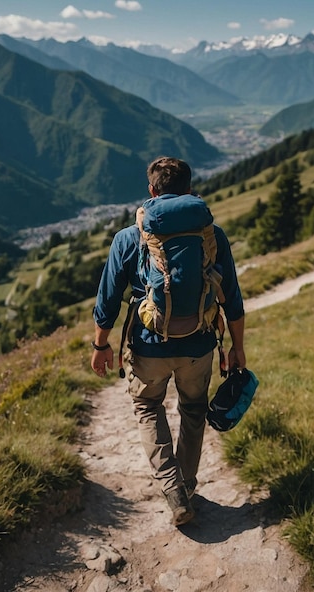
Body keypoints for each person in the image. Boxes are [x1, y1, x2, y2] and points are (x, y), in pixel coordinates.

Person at [90, 156, 247, 526]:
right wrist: (237, 349)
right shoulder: (212, 236)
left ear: (152, 191)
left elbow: (108, 299)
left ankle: (173, 489)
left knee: (148, 408)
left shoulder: (130, 238)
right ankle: (187, 486)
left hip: (148, 345)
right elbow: (233, 300)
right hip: (199, 344)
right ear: (190, 190)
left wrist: (101, 345)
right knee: (193, 411)